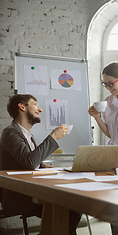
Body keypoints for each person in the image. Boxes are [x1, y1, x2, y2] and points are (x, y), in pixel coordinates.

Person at [0, 94, 81, 235]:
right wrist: (53, 136)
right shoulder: (11, 132)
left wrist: (45, 166)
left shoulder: (27, 135)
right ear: (22, 107)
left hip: (32, 190)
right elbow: (30, 162)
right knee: (71, 212)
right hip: (20, 196)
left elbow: (27, 161)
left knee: (73, 207)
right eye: (35, 104)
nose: (40, 109)